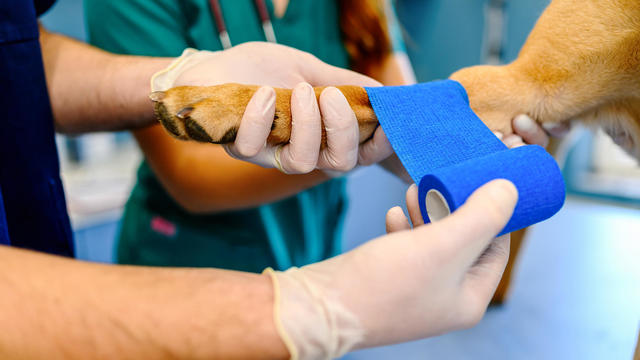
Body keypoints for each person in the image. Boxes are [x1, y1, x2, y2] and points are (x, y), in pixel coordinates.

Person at [0, 0, 554, 358]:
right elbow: (192, 176)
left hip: (312, 243)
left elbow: (396, 100)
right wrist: (350, 152)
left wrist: (472, 147)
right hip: (183, 259)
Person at [83, 0, 415, 271]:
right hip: (191, 264)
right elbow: (189, 177)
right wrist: (334, 153)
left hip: (314, 258)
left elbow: (409, 128)